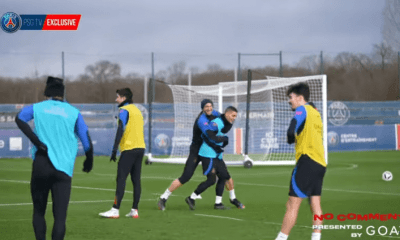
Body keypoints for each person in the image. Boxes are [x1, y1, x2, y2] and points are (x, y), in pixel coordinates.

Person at [15, 76, 94, 240]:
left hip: (41, 165)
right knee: (60, 218)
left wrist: (36, 141)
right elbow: (86, 140)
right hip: (63, 169)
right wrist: (89, 159)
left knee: (38, 212)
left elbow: (19, 118)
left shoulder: (37, 108)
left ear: (47, 93)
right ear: (62, 94)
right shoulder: (74, 112)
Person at [158, 100, 244, 210]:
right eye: (206, 106)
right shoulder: (201, 120)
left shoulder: (215, 114)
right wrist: (223, 140)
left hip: (209, 150)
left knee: (219, 176)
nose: (209, 108)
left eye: (210, 106)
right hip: (197, 151)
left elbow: (224, 120)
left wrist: (229, 121)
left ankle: (224, 201)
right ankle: (163, 198)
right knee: (186, 177)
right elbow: (209, 136)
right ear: (202, 108)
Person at [274, 83, 326, 240]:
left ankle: (281, 238)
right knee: (315, 204)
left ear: (300, 98)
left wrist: (290, 138)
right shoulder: (315, 112)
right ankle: (316, 238)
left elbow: (292, 128)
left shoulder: (302, 109)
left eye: (291, 97)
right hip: (320, 164)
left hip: (307, 161)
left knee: (292, 204)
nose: (290, 101)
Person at [99, 88, 146, 219]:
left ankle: (115, 210)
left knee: (121, 178)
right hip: (140, 148)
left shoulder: (124, 110)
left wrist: (114, 150)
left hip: (129, 149)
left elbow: (120, 129)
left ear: (124, 98)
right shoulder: (137, 110)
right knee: (136, 180)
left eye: (118, 97)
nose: (116, 99)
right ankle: (134, 210)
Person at [185, 106, 241, 210]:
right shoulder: (217, 123)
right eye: (233, 116)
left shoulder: (227, 123)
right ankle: (191, 198)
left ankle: (218, 203)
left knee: (224, 176)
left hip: (216, 154)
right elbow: (207, 135)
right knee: (211, 180)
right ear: (227, 114)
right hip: (208, 154)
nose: (234, 118)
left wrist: (221, 143)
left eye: (235, 116)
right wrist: (220, 142)